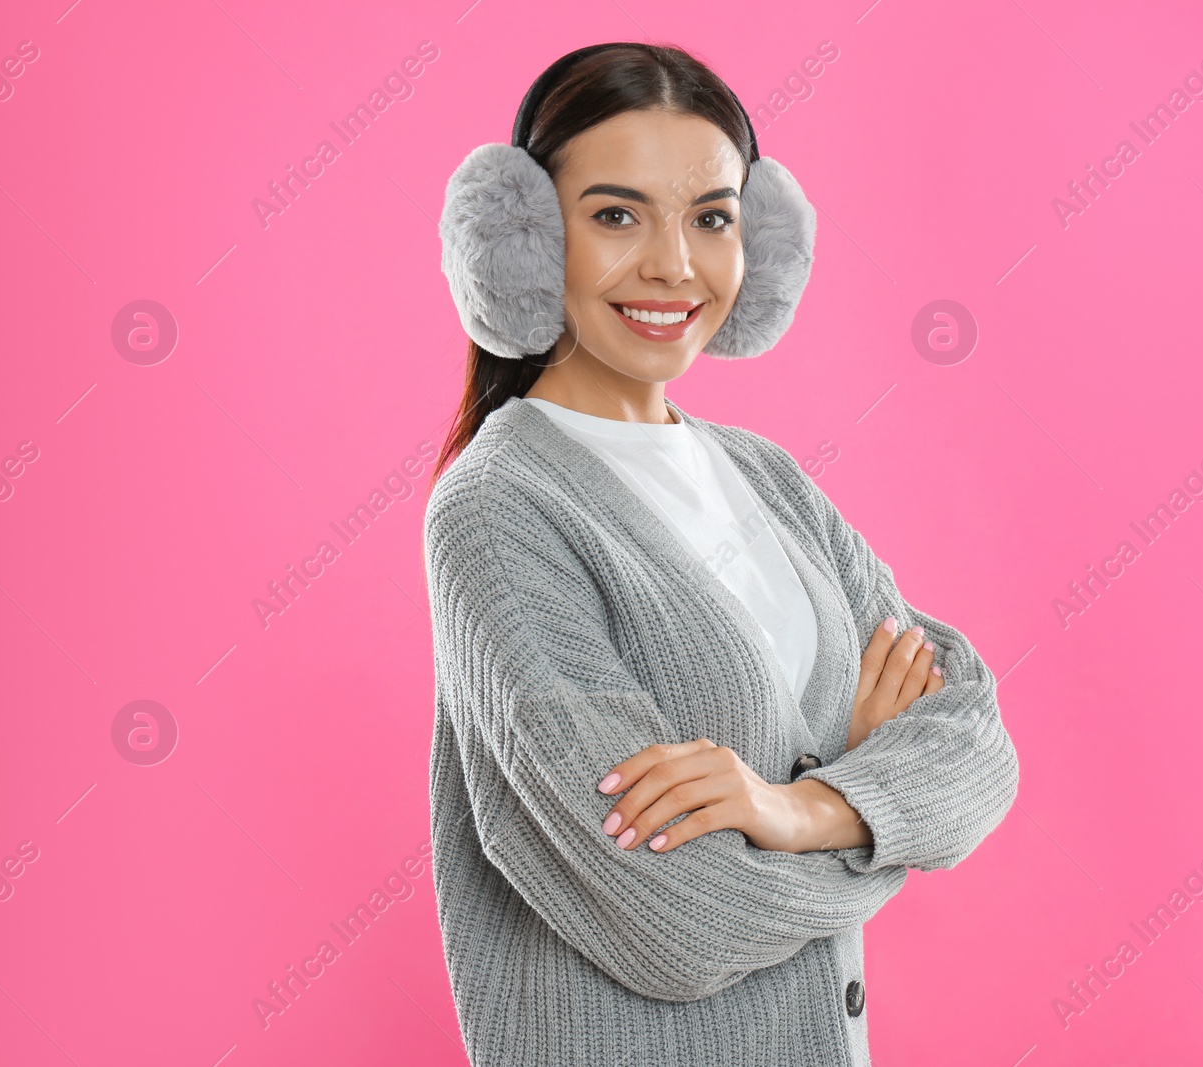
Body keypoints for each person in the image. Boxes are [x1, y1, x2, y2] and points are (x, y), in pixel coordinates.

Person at [422, 41, 1018, 1067]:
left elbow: (978, 746)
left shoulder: (767, 476)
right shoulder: (495, 510)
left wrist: (791, 808)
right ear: (520, 240)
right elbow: (676, 916)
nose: (673, 265)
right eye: (616, 214)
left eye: (711, 217)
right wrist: (883, 823)